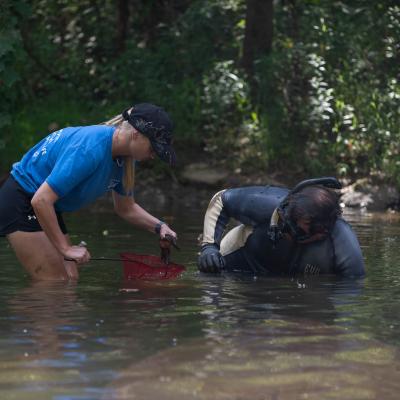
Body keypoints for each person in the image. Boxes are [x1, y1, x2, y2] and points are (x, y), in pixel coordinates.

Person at [0, 103, 177, 280]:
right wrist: (66, 249)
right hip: (22, 200)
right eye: (153, 148)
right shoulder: (90, 148)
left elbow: (126, 208)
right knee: (56, 284)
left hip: (47, 206)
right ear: (136, 134)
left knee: (70, 280)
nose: (154, 155)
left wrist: (160, 227)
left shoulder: (127, 159)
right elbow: (41, 200)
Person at [198, 177, 365, 277]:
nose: (287, 233)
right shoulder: (269, 203)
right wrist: (209, 247)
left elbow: (351, 287)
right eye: (286, 222)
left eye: (298, 230)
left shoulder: (343, 243)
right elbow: (221, 199)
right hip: (240, 261)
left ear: (322, 232)